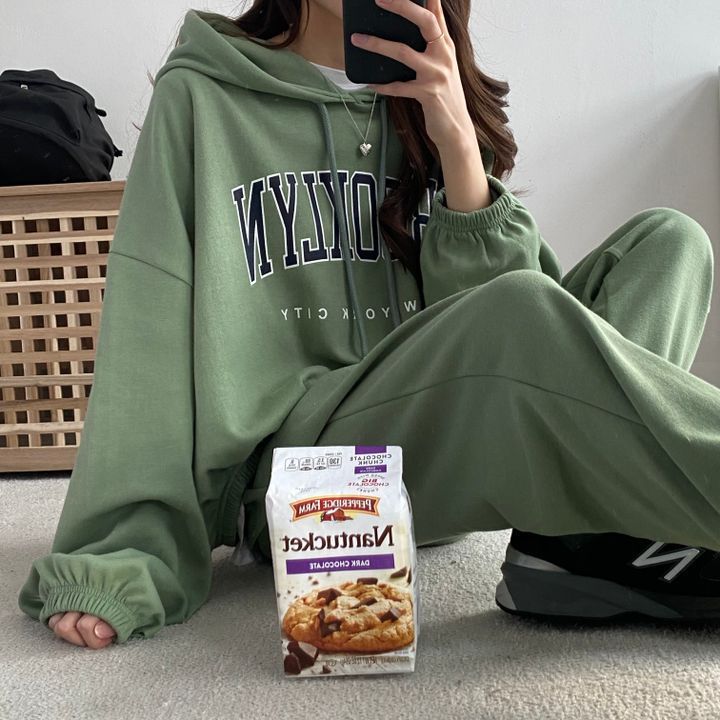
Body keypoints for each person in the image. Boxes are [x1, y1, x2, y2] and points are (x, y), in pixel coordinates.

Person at [18, 0, 719, 651]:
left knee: (669, 243)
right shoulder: (202, 95)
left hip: (437, 443)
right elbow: (151, 317)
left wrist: (456, 141)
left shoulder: (427, 95)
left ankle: (574, 543)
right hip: (306, 477)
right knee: (520, 313)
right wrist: (128, 548)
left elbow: (494, 327)